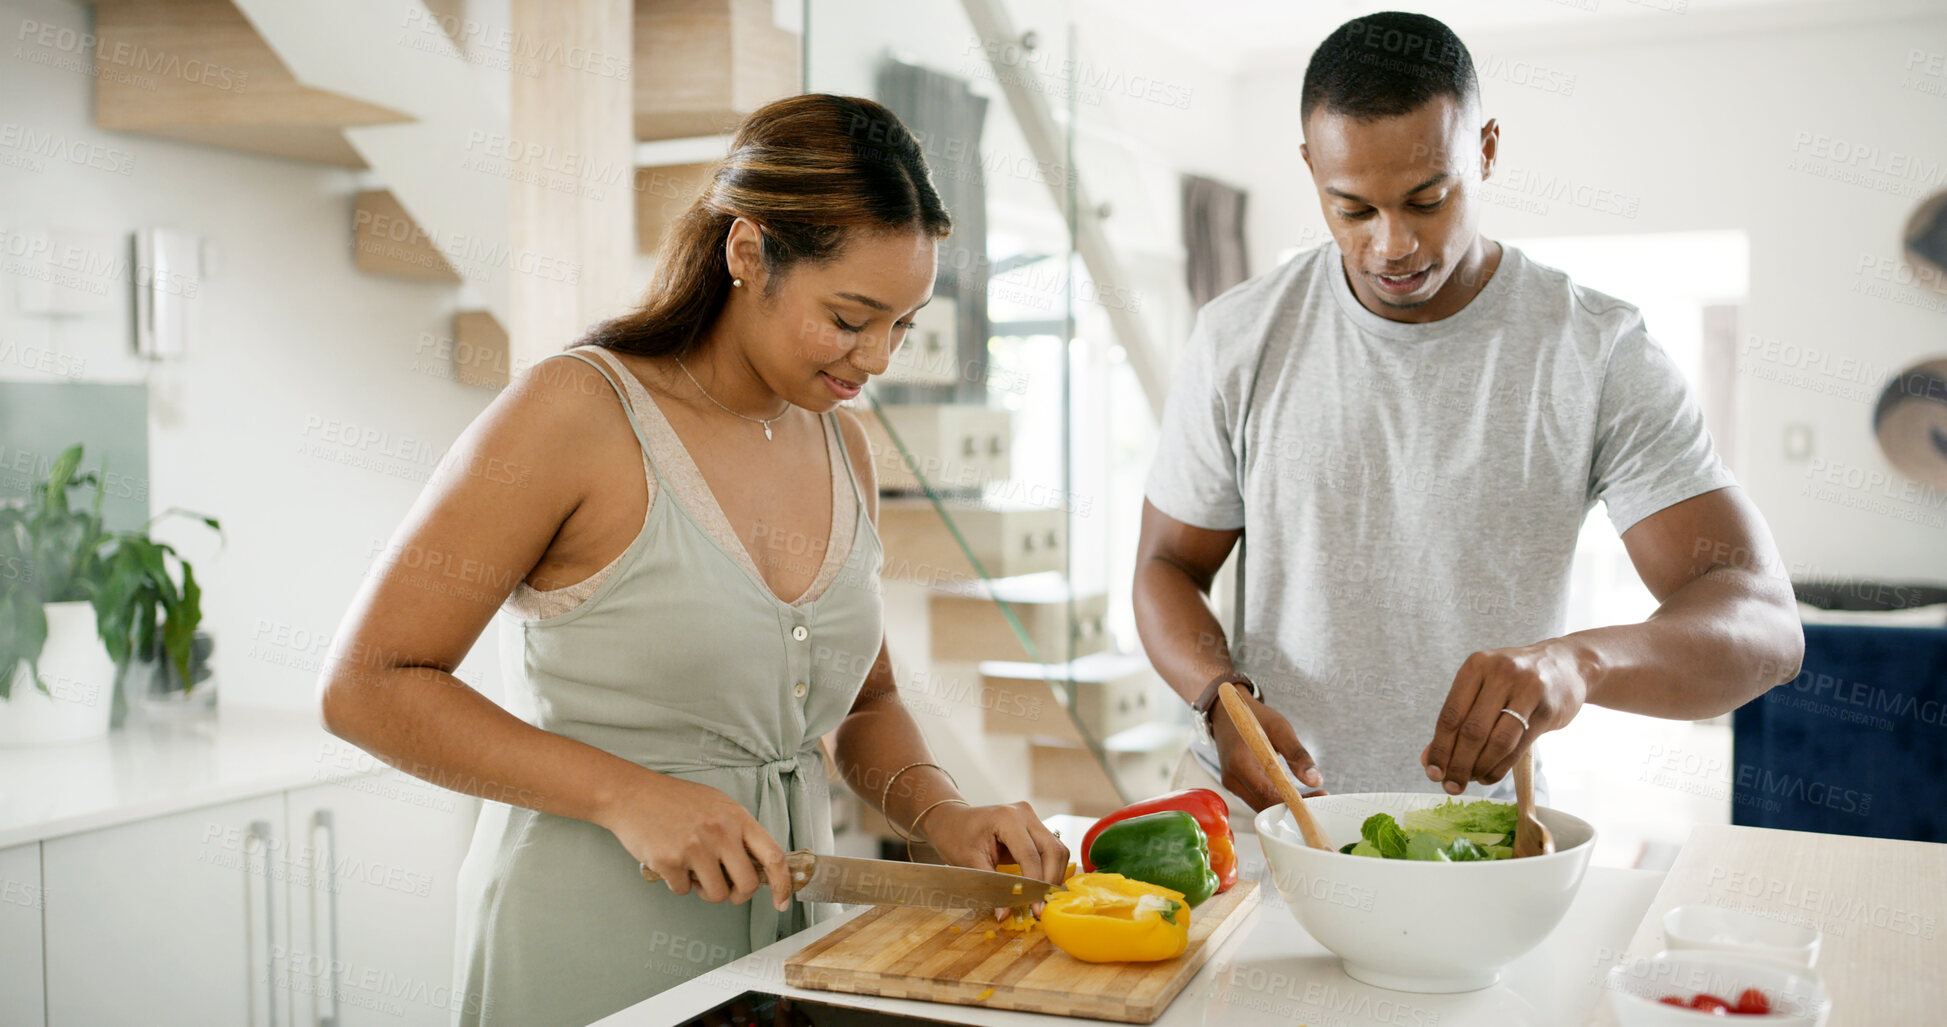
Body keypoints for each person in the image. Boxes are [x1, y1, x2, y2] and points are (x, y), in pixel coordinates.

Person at [318, 93, 1069, 1026]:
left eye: (903, 325)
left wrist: (941, 812)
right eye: (850, 316)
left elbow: (864, 702)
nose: (876, 356)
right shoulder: (574, 414)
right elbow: (368, 682)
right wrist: (625, 794)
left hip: (791, 951)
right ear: (748, 253)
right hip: (586, 954)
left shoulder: (845, 448)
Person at [1134, 12, 1803, 819]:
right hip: (1257, 818)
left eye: (1427, 198)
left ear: (1483, 150)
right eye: (1351, 209)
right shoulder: (1238, 335)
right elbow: (1165, 566)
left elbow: (1765, 626)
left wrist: (1577, 664)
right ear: (1311, 168)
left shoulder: (1594, 351)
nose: (1392, 244)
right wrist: (1219, 700)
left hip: (1471, 837)